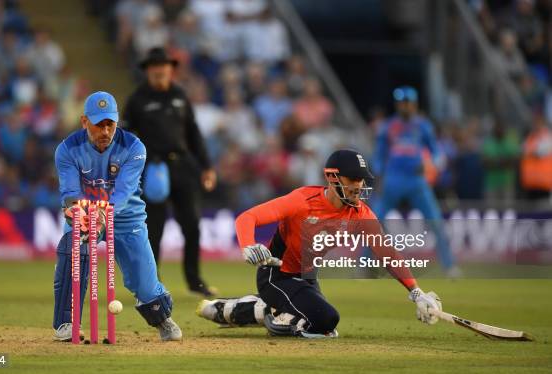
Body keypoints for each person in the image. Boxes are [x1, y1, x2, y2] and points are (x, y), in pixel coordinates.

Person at [196, 150, 442, 338]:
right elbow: (247, 218)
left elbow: (386, 253)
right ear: (333, 177)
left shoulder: (361, 213)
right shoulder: (302, 201)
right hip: (276, 275)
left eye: (362, 180)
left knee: (320, 321)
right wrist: (248, 245)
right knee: (326, 321)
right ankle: (274, 313)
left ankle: (242, 309)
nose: (359, 185)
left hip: (307, 278)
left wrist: (416, 292)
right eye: (353, 179)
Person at [52, 91, 182, 342]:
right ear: (84, 122)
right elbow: (69, 191)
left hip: (126, 217)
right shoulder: (67, 149)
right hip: (87, 213)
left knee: (145, 283)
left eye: (109, 124)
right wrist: (73, 209)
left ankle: (161, 318)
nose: (105, 131)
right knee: (72, 249)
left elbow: (123, 191)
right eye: (99, 125)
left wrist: (105, 211)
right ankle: (66, 322)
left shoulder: (134, 147)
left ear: (117, 121)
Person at [123, 47, 218, 297]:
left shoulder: (179, 95)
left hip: (183, 167)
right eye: (154, 66)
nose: (160, 70)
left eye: (163, 65)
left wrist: (206, 166)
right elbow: (125, 136)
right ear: (147, 71)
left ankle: (194, 281)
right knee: (153, 230)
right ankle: (152, 283)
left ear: (170, 69)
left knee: (193, 226)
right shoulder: (138, 99)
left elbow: (193, 132)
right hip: (152, 169)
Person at [371, 86, 459, 277]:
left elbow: (437, 153)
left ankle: (449, 266)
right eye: (401, 103)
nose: (404, 107)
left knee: (436, 221)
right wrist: (379, 176)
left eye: (408, 103)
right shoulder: (388, 126)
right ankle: (365, 267)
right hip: (392, 181)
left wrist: (430, 167)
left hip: (416, 181)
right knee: (372, 223)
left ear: (414, 104)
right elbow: (378, 156)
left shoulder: (423, 126)